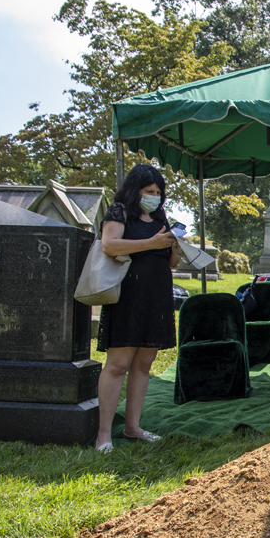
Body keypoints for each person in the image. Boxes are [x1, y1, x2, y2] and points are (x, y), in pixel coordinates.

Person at [95, 164, 182, 453]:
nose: (154, 197)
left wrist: (174, 250)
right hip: (127, 295)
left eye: (158, 192)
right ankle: (104, 434)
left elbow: (170, 264)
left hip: (157, 296)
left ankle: (133, 427)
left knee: (144, 365)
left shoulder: (160, 217)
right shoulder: (119, 211)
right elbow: (109, 245)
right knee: (118, 365)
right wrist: (152, 242)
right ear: (136, 191)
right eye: (149, 192)